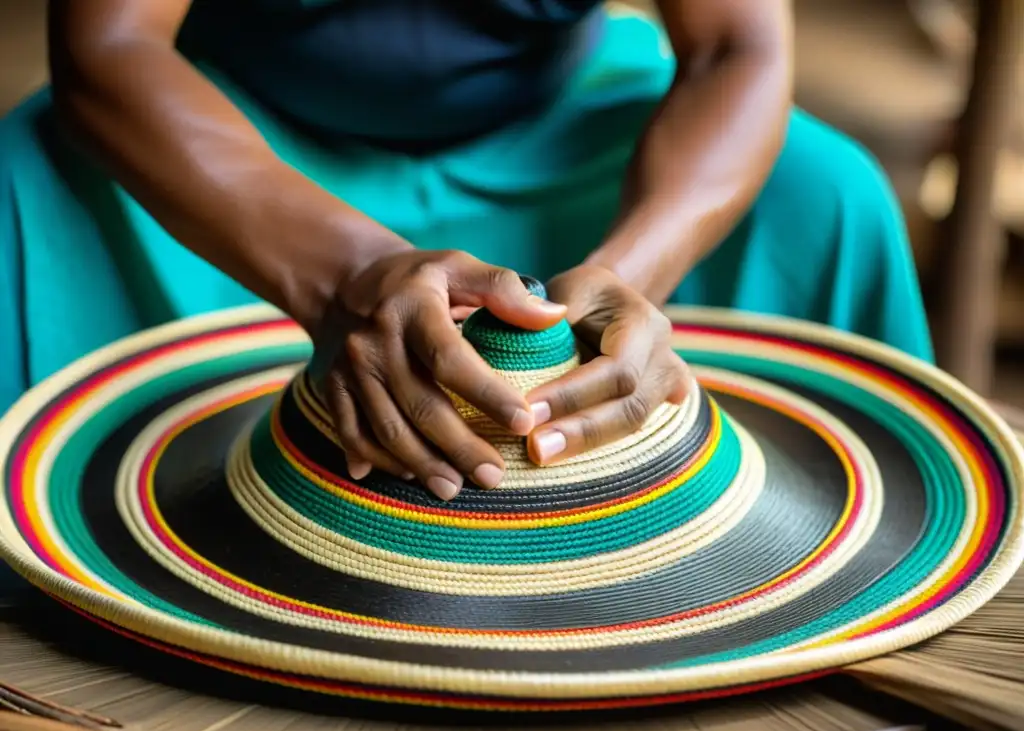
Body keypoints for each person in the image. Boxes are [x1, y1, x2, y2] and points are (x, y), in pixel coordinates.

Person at [0, 0, 932, 501]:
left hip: (575, 143)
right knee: (19, 189)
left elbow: (738, 44)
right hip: (231, 149)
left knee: (828, 195)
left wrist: (622, 284)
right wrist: (344, 274)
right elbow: (109, 41)